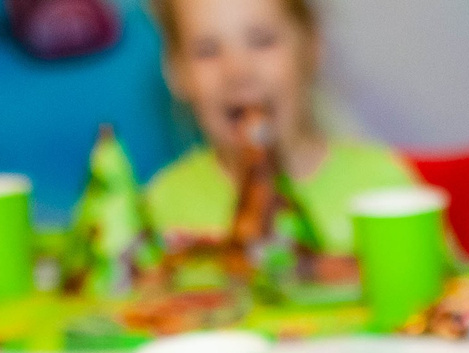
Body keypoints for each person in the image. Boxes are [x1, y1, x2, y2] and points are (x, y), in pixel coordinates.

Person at [142, 0, 424, 256]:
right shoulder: (162, 207)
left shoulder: (383, 186)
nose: (238, 71)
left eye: (262, 41)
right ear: (176, 72)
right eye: (207, 51)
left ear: (312, 47)